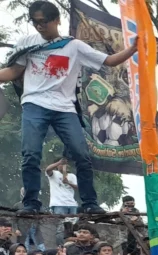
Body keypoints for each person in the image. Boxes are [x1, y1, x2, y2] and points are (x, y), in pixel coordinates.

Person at [0, 2, 136, 215]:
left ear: (56, 20)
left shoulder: (73, 46)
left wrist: (133, 49)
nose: (39, 26)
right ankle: (31, 203)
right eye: (34, 22)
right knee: (31, 154)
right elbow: (14, 70)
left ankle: (90, 203)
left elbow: (109, 61)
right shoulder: (27, 43)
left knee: (81, 154)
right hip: (34, 104)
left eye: (43, 22)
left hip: (64, 108)